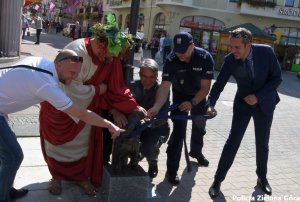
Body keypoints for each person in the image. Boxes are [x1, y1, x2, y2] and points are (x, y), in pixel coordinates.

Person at [39, 14, 145, 196]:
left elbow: (116, 86)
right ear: (101, 45)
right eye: (110, 55)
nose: (112, 60)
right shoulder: (76, 50)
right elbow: (68, 84)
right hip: (59, 109)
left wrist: (131, 106)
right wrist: (96, 90)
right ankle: (56, 177)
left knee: (81, 147)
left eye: (115, 56)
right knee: (55, 146)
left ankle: (81, 178)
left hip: (86, 110)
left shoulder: (108, 58)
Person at [0, 50, 124, 202]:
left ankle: (4, 188)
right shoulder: (47, 84)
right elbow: (81, 114)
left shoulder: (42, 62)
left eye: (77, 73)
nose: (75, 77)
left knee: (7, 155)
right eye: (72, 72)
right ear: (58, 65)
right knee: (13, 156)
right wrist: (109, 124)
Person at [207, 27, 282, 198]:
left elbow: (277, 78)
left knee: (262, 144)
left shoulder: (266, 52)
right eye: (231, 47)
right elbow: (219, 85)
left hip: (265, 104)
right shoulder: (230, 60)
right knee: (232, 142)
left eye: (237, 47)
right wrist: (210, 104)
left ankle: (262, 178)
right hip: (243, 105)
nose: (233, 51)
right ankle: (217, 181)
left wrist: (258, 96)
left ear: (248, 44)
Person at [148, 32, 214, 185]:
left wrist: (193, 102)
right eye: (177, 50)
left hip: (198, 96)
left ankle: (196, 152)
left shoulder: (205, 58)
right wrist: (157, 107)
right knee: (178, 134)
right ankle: (171, 171)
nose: (179, 54)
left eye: (183, 51)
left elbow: (205, 88)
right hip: (180, 95)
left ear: (192, 46)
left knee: (199, 127)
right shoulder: (172, 59)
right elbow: (164, 87)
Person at [111, 58, 170, 178]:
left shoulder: (162, 91)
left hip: (155, 128)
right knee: (124, 145)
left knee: (148, 149)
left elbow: (163, 116)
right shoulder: (130, 86)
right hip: (133, 127)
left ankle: (152, 162)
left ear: (156, 76)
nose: (148, 81)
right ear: (139, 74)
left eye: (152, 77)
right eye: (144, 76)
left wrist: (148, 121)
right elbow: (113, 103)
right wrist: (116, 112)